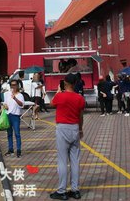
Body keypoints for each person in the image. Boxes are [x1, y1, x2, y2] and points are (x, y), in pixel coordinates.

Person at [49, 72, 86, 200]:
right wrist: (80, 129)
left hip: (62, 128)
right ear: (75, 83)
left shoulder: (60, 96)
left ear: (65, 83)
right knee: (75, 160)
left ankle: (62, 191)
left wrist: (58, 91)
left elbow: (51, 104)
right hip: (75, 128)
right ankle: (75, 190)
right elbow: (81, 116)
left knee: (62, 160)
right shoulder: (80, 98)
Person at [2, 78, 25, 158]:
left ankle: (18, 150)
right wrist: (4, 106)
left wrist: (15, 98)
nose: (13, 86)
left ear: (18, 85)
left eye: (15, 85)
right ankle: (10, 149)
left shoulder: (20, 95)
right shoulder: (7, 94)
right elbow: (5, 103)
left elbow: (22, 105)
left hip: (15, 116)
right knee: (9, 134)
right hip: (8, 115)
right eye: (12, 85)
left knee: (17, 134)